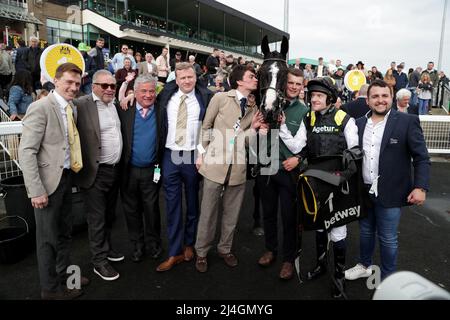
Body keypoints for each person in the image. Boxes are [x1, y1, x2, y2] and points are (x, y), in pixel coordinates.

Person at [279, 77, 359, 298]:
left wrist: (343, 176)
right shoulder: (309, 118)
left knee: (338, 231)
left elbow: (355, 151)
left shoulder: (345, 118)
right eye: (312, 95)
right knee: (321, 226)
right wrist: (283, 125)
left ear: (330, 99)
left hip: (339, 184)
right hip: (316, 183)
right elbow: (297, 146)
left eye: (319, 96)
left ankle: (339, 276)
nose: (314, 99)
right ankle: (321, 266)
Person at [345, 79, 430, 281]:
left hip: (392, 191)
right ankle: (364, 265)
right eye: (375, 96)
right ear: (368, 100)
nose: (380, 100)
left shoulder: (407, 121)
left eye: (385, 96)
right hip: (364, 191)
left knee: (388, 239)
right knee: (365, 232)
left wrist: (420, 187)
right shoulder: (358, 124)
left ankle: (388, 279)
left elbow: (421, 157)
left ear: (391, 98)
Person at [18, 63, 88, 300]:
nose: (73, 87)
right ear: (56, 81)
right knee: (47, 240)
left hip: (66, 178)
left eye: (77, 84)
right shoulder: (41, 107)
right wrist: (36, 190)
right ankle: (50, 290)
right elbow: (26, 151)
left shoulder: (72, 108)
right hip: (46, 185)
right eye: (68, 82)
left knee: (65, 233)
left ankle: (66, 277)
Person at [194, 64, 263, 273]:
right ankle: (201, 253)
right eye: (252, 76)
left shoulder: (255, 108)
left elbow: (247, 142)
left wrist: (254, 130)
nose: (255, 79)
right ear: (239, 81)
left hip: (238, 168)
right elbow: (205, 126)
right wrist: (200, 153)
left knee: (231, 215)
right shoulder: (220, 98)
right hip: (214, 165)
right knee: (207, 213)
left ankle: (225, 249)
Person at [156, 62, 213, 272]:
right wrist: (127, 94)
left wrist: (203, 152)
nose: (187, 81)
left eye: (190, 77)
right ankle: (174, 251)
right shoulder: (166, 94)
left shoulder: (206, 97)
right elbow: (146, 94)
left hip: (192, 156)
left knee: (192, 202)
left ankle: (190, 243)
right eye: (183, 78)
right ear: (176, 79)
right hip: (170, 155)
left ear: (195, 77)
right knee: (171, 205)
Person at [256, 68, 309, 280]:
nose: (294, 87)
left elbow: (309, 146)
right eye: (291, 83)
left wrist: (299, 159)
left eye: (298, 83)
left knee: (289, 217)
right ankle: (270, 249)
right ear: (283, 83)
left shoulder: (305, 111)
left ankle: (288, 259)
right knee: (268, 214)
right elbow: (258, 141)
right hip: (266, 168)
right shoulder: (266, 105)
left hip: (289, 171)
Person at [74, 70, 124, 281]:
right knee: (97, 219)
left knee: (109, 215)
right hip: (95, 172)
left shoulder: (114, 104)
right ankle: (98, 261)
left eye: (112, 85)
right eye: (104, 86)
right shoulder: (81, 104)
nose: (109, 89)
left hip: (115, 170)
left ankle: (106, 248)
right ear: (93, 85)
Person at [117, 75, 163, 263]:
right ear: (134, 93)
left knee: (152, 209)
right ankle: (137, 245)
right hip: (129, 171)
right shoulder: (123, 110)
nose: (148, 95)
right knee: (131, 211)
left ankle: (154, 244)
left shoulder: (162, 111)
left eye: (151, 91)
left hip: (153, 170)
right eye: (143, 91)